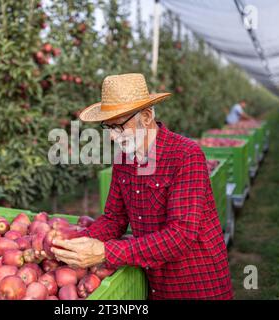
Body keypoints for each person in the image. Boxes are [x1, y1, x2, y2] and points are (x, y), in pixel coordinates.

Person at [51, 73, 233, 300]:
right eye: (108, 128)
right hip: (155, 281)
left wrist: (106, 252)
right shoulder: (123, 159)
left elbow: (182, 234)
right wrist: (76, 243)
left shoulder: (186, 155)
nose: (113, 138)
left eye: (119, 126)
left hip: (195, 282)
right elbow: (114, 219)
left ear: (146, 116)